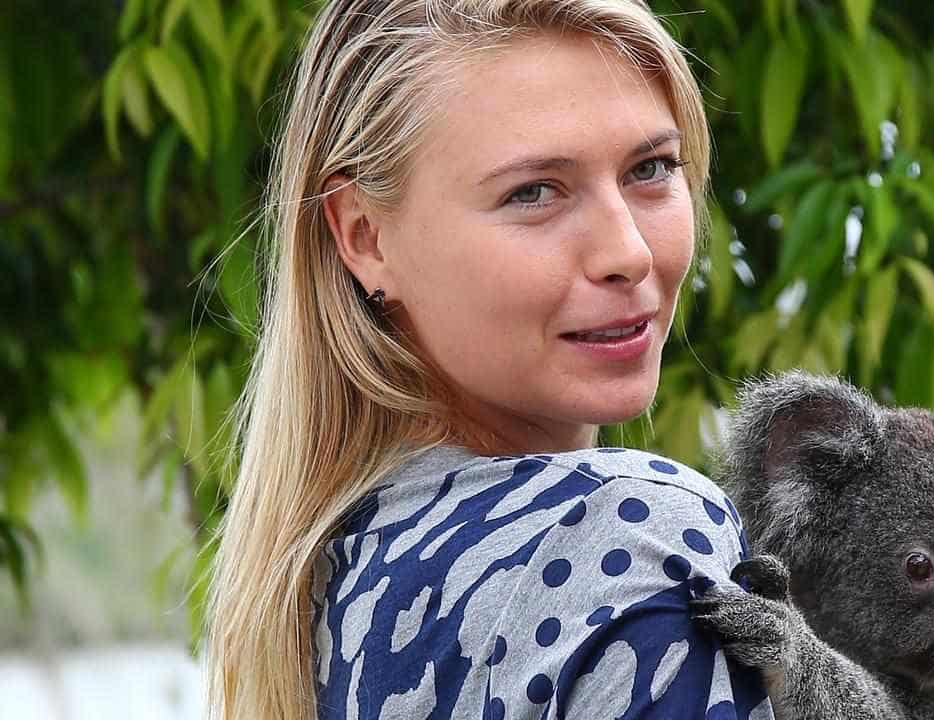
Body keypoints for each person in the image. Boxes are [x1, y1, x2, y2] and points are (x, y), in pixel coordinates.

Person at [202, 1, 775, 718]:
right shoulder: (632, 538)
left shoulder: (320, 586)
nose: (627, 251)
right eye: (533, 192)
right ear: (365, 238)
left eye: (651, 168)